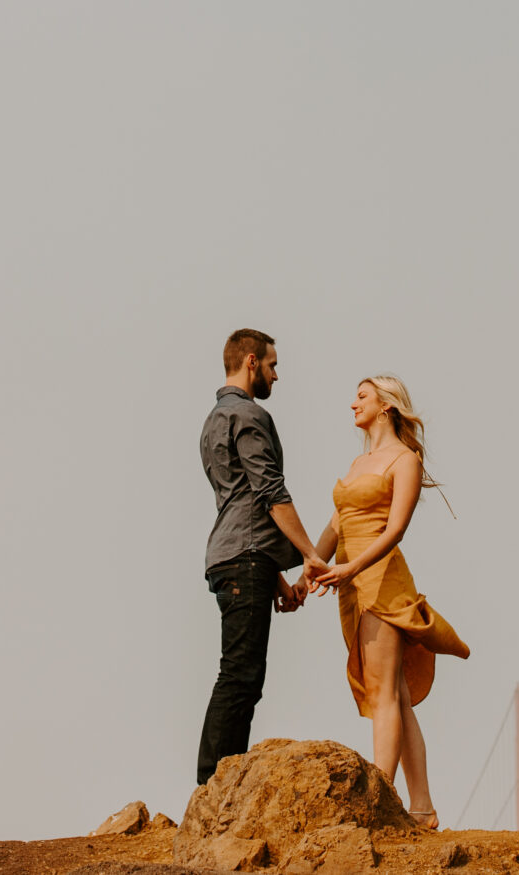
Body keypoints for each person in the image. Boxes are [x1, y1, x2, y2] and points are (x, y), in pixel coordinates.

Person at [307, 374, 468, 828]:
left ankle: (382, 798)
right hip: (349, 583)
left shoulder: (404, 459)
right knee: (394, 695)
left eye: (361, 396)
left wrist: (349, 569)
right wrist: (309, 570)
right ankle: (422, 807)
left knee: (383, 697)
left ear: (386, 406)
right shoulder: (361, 462)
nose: (352, 404)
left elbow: (395, 529)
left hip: (379, 581)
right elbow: (337, 524)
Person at [197, 328, 328, 785]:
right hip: (245, 558)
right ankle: (213, 788)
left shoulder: (214, 419)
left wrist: (276, 577)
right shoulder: (249, 415)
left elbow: (239, 503)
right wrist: (311, 555)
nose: (277, 374)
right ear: (252, 362)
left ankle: (215, 787)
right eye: (273, 364)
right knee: (240, 676)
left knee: (240, 674)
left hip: (230, 555)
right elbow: (269, 493)